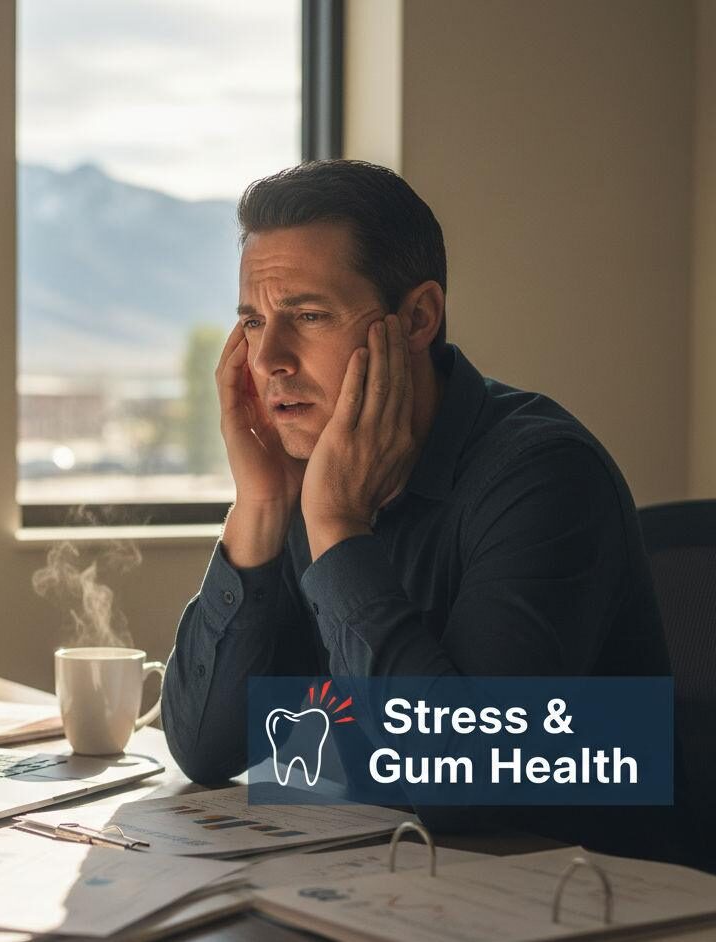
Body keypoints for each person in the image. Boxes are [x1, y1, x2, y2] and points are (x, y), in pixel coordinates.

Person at [161, 159, 683, 861]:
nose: (271, 359)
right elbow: (205, 749)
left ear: (417, 317)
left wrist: (339, 528)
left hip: (567, 898)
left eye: (309, 316)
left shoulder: (548, 476)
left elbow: (463, 785)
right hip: (375, 880)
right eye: (253, 322)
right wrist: (260, 507)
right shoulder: (301, 469)